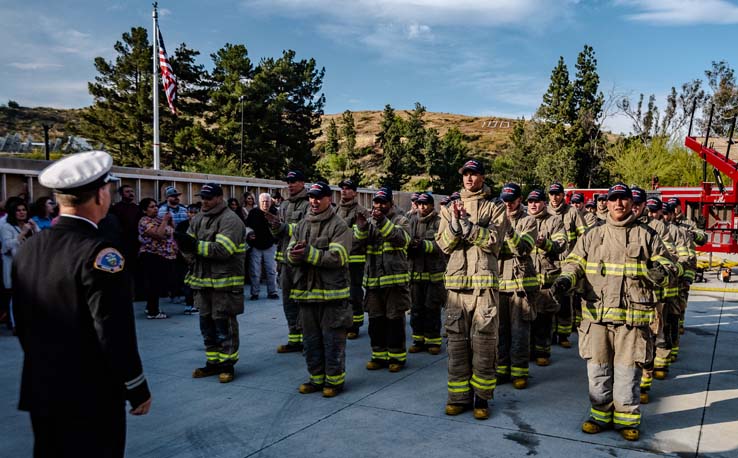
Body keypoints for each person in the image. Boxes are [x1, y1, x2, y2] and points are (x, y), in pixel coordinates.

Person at [13, 150, 151, 457]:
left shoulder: (29, 249)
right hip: (90, 394)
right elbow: (113, 330)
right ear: (100, 194)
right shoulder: (100, 254)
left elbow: (23, 323)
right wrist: (136, 385)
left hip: (43, 388)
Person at [552, 182, 677, 442]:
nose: (618, 204)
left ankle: (627, 420)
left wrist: (661, 272)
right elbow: (574, 263)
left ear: (632, 204)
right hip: (597, 318)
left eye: (623, 199)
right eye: (614, 199)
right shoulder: (592, 236)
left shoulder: (647, 235)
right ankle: (599, 415)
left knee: (627, 371)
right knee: (597, 370)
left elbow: (669, 265)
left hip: (632, 320)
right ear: (606, 203)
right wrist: (566, 280)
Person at [435, 159, 510, 420]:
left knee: (485, 343)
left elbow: (494, 241)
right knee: (456, 343)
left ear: (482, 176)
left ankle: (482, 398)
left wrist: (469, 227)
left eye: (474, 174)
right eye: (465, 174)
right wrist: (455, 227)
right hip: (457, 286)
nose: (469, 178)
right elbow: (443, 245)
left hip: (484, 287)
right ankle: (458, 396)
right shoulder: (449, 207)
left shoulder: (496, 206)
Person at [176, 183, 247, 384]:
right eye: (202, 198)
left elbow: (223, 250)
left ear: (219, 198)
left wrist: (195, 247)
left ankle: (227, 365)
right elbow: (186, 245)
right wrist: (188, 250)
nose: (204, 201)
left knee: (224, 324)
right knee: (206, 323)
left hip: (224, 285)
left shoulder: (230, 220)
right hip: (202, 283)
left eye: (208, 198)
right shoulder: (198, 218)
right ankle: (212, 362)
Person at [288, 182, 352, 397]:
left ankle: (334, 382)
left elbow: (338, 257)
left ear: (328, 199)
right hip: (307, 295)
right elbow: (290, 250)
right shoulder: (302, 225)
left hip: (332, 296)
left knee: (332, 340)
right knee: (311, 341)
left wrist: (307, 254)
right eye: (311, 197)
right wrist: (294, 254)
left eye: (318, 197)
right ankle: (316, 379)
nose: (313, 201)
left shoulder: (339, 225)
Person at [354, 187, 411, 373]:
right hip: (373, 282)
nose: (378, 206)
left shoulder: (402, 220)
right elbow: (357, 244)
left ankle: (397, 357)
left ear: (391, 203)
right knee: (376, 321)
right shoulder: (369, 222)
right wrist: (362, 228)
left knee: (394, 321)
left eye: (382, 203)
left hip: (394, 283)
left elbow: (402, 239)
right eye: (375, 203)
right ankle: (378, 355)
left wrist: (382, 222)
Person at [497, 183, 538, 388]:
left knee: (520, 331)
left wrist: (508, 228)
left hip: (521, 287)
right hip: (498, 286)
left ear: (519, 200)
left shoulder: (529, 221)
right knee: (499, 331)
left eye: (511, 201)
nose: (507, 205)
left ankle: (519, 372)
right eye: (504, 201)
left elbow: (522, 249)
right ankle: (502, 370)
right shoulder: (494, 219)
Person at [525, 189, 567, 367]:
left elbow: (561, 245)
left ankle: (542, 351)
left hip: (545, 279)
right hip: (525, 279)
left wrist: (545, 244)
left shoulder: (554, 221)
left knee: (544, 319)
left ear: (544, 203)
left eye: (537, 201)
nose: (533, 204)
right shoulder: (523, 220)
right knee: (526, 318)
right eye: (530, 201)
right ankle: (527, 351)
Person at [270, 170, 309, 353]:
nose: (290, 185)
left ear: (302, 183)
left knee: (303, 301)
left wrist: (283, 227)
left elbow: (306, 230)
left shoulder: (310, 204)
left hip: (301, 262)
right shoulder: (284, 205)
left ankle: (308, 340)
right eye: (288, 182)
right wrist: (275, 227)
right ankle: (294, 339)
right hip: (285, 262)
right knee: (288, 301)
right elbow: (279, 237)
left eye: (294, 181)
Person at [548, 182, 587, 349]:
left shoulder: (572, 212)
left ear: (563, 195)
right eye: (552, 194)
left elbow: (585, 237)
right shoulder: (544, 212)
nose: (555, 197)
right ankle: (548, 334)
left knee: (565, 301)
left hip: (567, 265)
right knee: (548, 300)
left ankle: (563, 334)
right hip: (548, 265)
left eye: (558, 194)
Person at [407, 192, 445, 355]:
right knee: (416, 309)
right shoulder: (411, 220)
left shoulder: (439, 222)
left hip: (433, 275)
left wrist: (422, 245)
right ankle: (418, 340)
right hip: (415, 274)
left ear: (432, 205)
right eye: (420, 204)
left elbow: (441, 245)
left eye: (425, 204)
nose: (422, 207)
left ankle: (433, 341)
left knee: (432, 308)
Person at [335, 178, 368, 339]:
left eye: (348, 189)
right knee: (340, 294)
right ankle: (343, 322)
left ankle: (355, 325)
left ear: (355, 192)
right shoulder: (336, 211)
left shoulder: (361, 212)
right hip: (338, 259)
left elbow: (360, 237)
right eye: (342, 188)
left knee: (354, 294)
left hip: (355, 259)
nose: (344, 191)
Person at [1, 200, 38, 331]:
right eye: (18, 210)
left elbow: (40, 241)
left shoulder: (30, 224)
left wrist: (34, 228)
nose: (22, 213)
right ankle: (16, 324)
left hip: (30, 264)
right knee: (15, 296)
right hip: (13, 265)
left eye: (24, 210)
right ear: (13, 212)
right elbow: (6, 246)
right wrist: (22, 234)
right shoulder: (7, 226)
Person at [138, 198, 177, 319]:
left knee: (159, 283)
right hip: (151, 255)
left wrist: (169, 221)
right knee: (153, 283)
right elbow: (159, 235)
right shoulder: (145, 221)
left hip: (163, 256)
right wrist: (165, 221)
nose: (155, 208)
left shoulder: (158, 220)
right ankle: (153, 311)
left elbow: (172, 231)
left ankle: (151, 306)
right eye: (151, 207)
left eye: (156, 206)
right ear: (144, 210)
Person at [245, 193, 279, 300]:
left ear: (270, 202)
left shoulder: (275, 212)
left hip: (270, 244)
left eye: (267, 201)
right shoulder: (253, 213)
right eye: (263, 201)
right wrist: (249, 234)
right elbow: (246, 227)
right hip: (256, 246)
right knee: (254, 271)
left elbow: (281, 227)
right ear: (259, 202)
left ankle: (272, 292)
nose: (265, 203)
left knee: (271, 270)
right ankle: (254, 293)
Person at [110, 184, 142, 295]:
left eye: (132, 191)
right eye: (128, 191)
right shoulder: (116, 209)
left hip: (136, 243)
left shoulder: (137, 208)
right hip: (122, 244)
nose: (131, 193)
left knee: (136, 270)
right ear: (121, 194)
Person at [176, 203, 201, 314]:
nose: (193, 215)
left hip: (198, 256)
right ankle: (188, 303)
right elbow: (178, 240)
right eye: (191, 212)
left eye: (196, 213)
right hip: (184, 257)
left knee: (197, 282)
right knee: (187, 282)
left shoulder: (203, 225)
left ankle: (196, 303)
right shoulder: (182, 225)